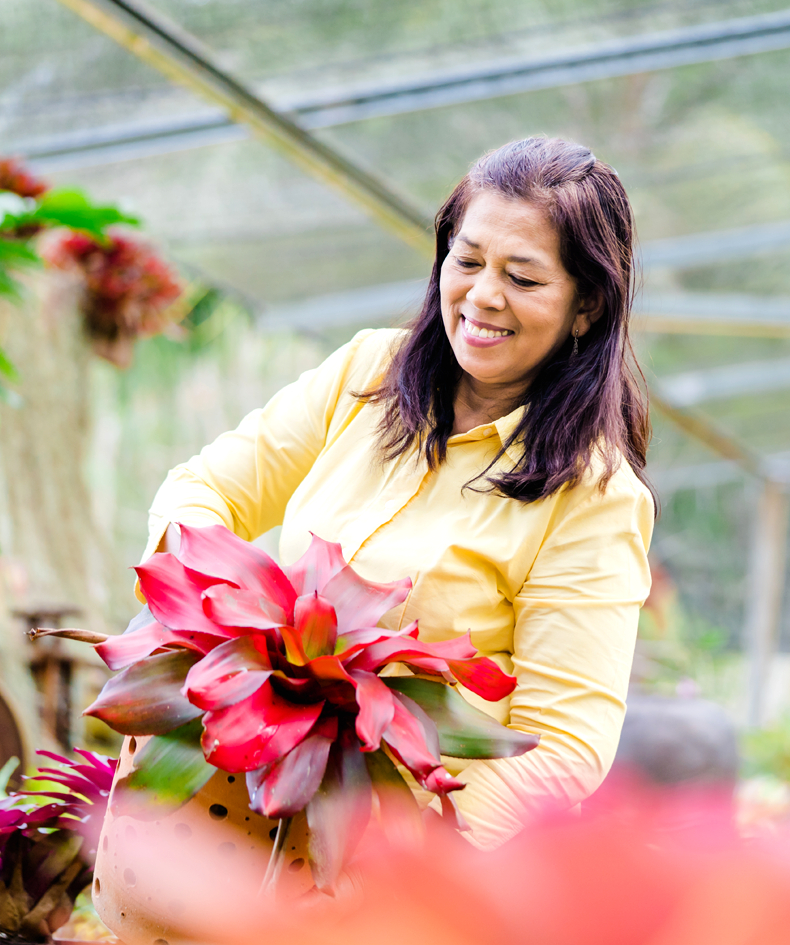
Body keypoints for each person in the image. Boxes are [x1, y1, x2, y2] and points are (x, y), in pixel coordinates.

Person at [144, 136, 654, 849]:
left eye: (524, 278)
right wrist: (217, 617)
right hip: (235, 807)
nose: (481, 295)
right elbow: (200, 492)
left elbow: (563, 747)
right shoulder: (366, 372)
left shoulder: (594, 496)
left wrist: (409, 864)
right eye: (467, 259)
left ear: (587, 306)